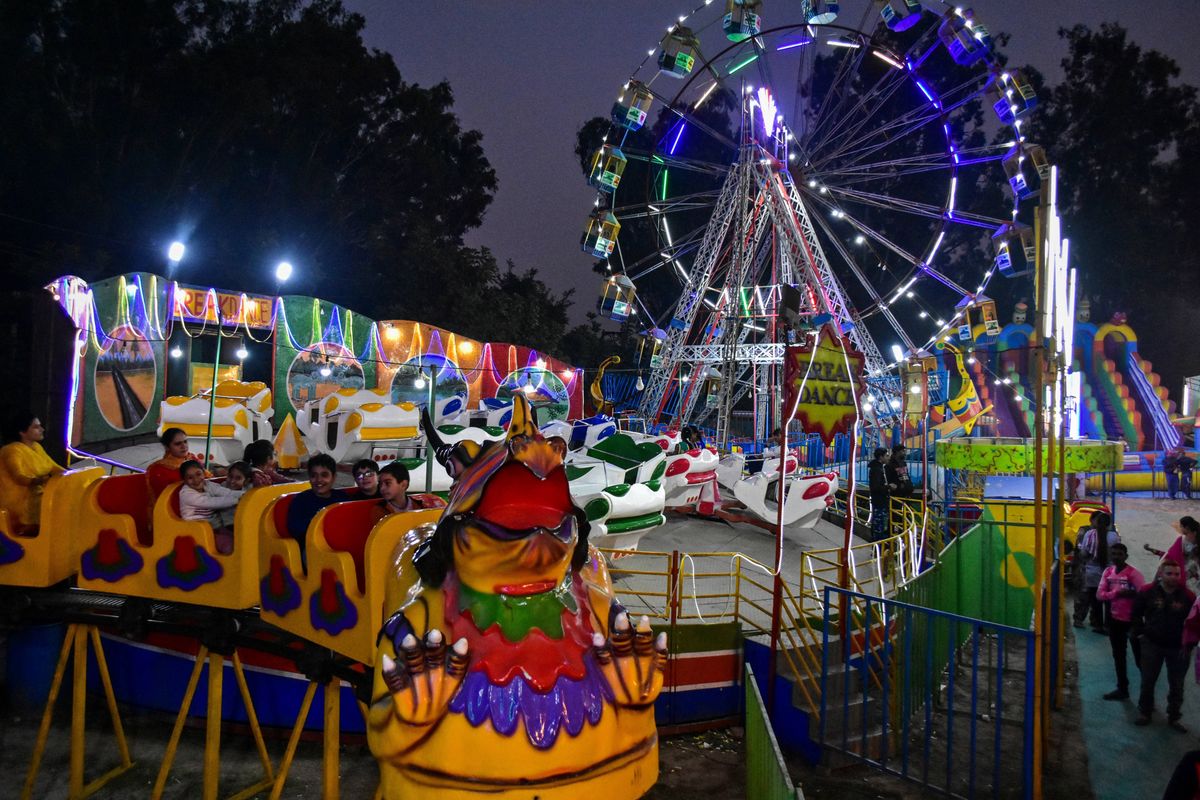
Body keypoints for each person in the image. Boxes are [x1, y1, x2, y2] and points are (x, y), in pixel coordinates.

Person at [1132, 559, 1196, 730]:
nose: (1174, 577)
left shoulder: (1188, 596)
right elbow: (1136, 613)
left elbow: (1195, 621)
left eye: (1177, 574)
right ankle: (1145, 711)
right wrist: (1139, 633)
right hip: (1152, 644)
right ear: (1160, 573)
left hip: (1178, 647)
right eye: (1169, 573)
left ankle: (1174, 716)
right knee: (1148, 680)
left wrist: (1190, 644)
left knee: (1177, 684)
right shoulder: (1147, 591)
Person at [1096, 542, 1146, 700]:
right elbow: (1099, 595)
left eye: (1120, 554)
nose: (1116, 557)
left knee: (1141, 659)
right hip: (1114, 620)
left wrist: (1130, 595)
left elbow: (1144, 597)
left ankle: (1146, 694)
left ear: (1126, 556)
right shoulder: (1108, 572)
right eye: (1114, 554)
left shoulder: (1134, 574)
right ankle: (1122, 689)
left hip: (1133, 622)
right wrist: (1117, 593)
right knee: (1118, 656)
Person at [0, 413, 65, 532]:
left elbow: (53, 467)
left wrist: (74, 475)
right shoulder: (11, 451)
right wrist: (40, 481)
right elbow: (18, 477)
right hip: (19, 508)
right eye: (36, 427)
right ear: (22, 432)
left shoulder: (36, 447)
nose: (42, 429)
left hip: (38, 498)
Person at [286, 453, 348, 568]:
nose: (319, 480)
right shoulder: (301, 500)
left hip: (339, 545)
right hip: (311, 548)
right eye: (314, 475)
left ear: (333, 477)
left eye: (324, 475)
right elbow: (295, 528)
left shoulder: (342, 498)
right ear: (309, 478)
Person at [177, 460, 244, 555]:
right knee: (229, 544)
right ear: (184, 480)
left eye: (198, 474)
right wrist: (237, 500)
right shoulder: (186, 494)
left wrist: (245, 494)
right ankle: (230, 567)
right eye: (190, 477)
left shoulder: (208, 485)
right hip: (197, 531)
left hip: (215, 527)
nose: (196, 480)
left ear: (204, 473)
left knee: (240, 538)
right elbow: (212, 502)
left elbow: (227, 492)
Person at [1073, 511, 1120, 632]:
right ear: (1109, 525)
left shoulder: (1088, 534)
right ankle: (1108, 626)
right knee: (1108, 601)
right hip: (1109, 573)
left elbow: (1083, 553)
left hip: (1092, 572)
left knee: (1096, 600)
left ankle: (1097, 625)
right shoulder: (1114, 536)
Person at [146, 428, 213, 506]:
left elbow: (207, 479)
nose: (184, 446)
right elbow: (164, 500)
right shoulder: (158, 469)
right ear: (167, 447)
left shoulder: (192, 458)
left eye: (185, 441)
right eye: (178, 444)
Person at [370, 461, 446, 524]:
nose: (382, 488)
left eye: (387, 483)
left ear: (403, 485)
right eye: (380, 484)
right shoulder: (380, 510)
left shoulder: (420, 506)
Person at [867, 446, 893, 541]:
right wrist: (888, 487)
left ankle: (878, 540)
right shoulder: (877, 470)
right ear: (880, 457)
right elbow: (876, 487)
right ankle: (877, 543)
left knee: (880, 523)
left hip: (881, 500)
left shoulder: (879, 468)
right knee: (879, 524)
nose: (888, 457)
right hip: (879, 500)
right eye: (886, 455)